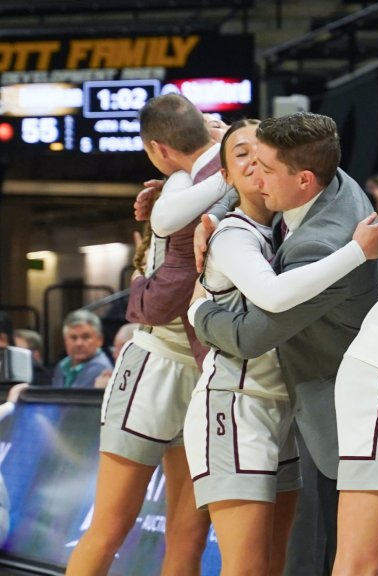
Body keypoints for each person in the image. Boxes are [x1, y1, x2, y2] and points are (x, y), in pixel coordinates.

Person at [181, 119, 378, 575]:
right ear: (226, 175)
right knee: (245, 566)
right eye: (243, 157)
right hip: (237, 401)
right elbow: (271, 303)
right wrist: (198, 314)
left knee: (279, 563)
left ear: (301, 176)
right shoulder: (233, 235)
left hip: (282, 405)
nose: (255, 167)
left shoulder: (284, 216)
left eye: (262, 159)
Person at [67, 94, 218, 575]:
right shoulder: (201, 181)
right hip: (171, 362)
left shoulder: (196, 180)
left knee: (163, 533)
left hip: (187, 368)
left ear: (158, 148)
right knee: (126, 528)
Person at [51, 310, 113, 389]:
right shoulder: (62, 366)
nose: (79, 344)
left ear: (99, 340)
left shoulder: (102, 370)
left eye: (85, 337)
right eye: (73, 338)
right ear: (65, 341)